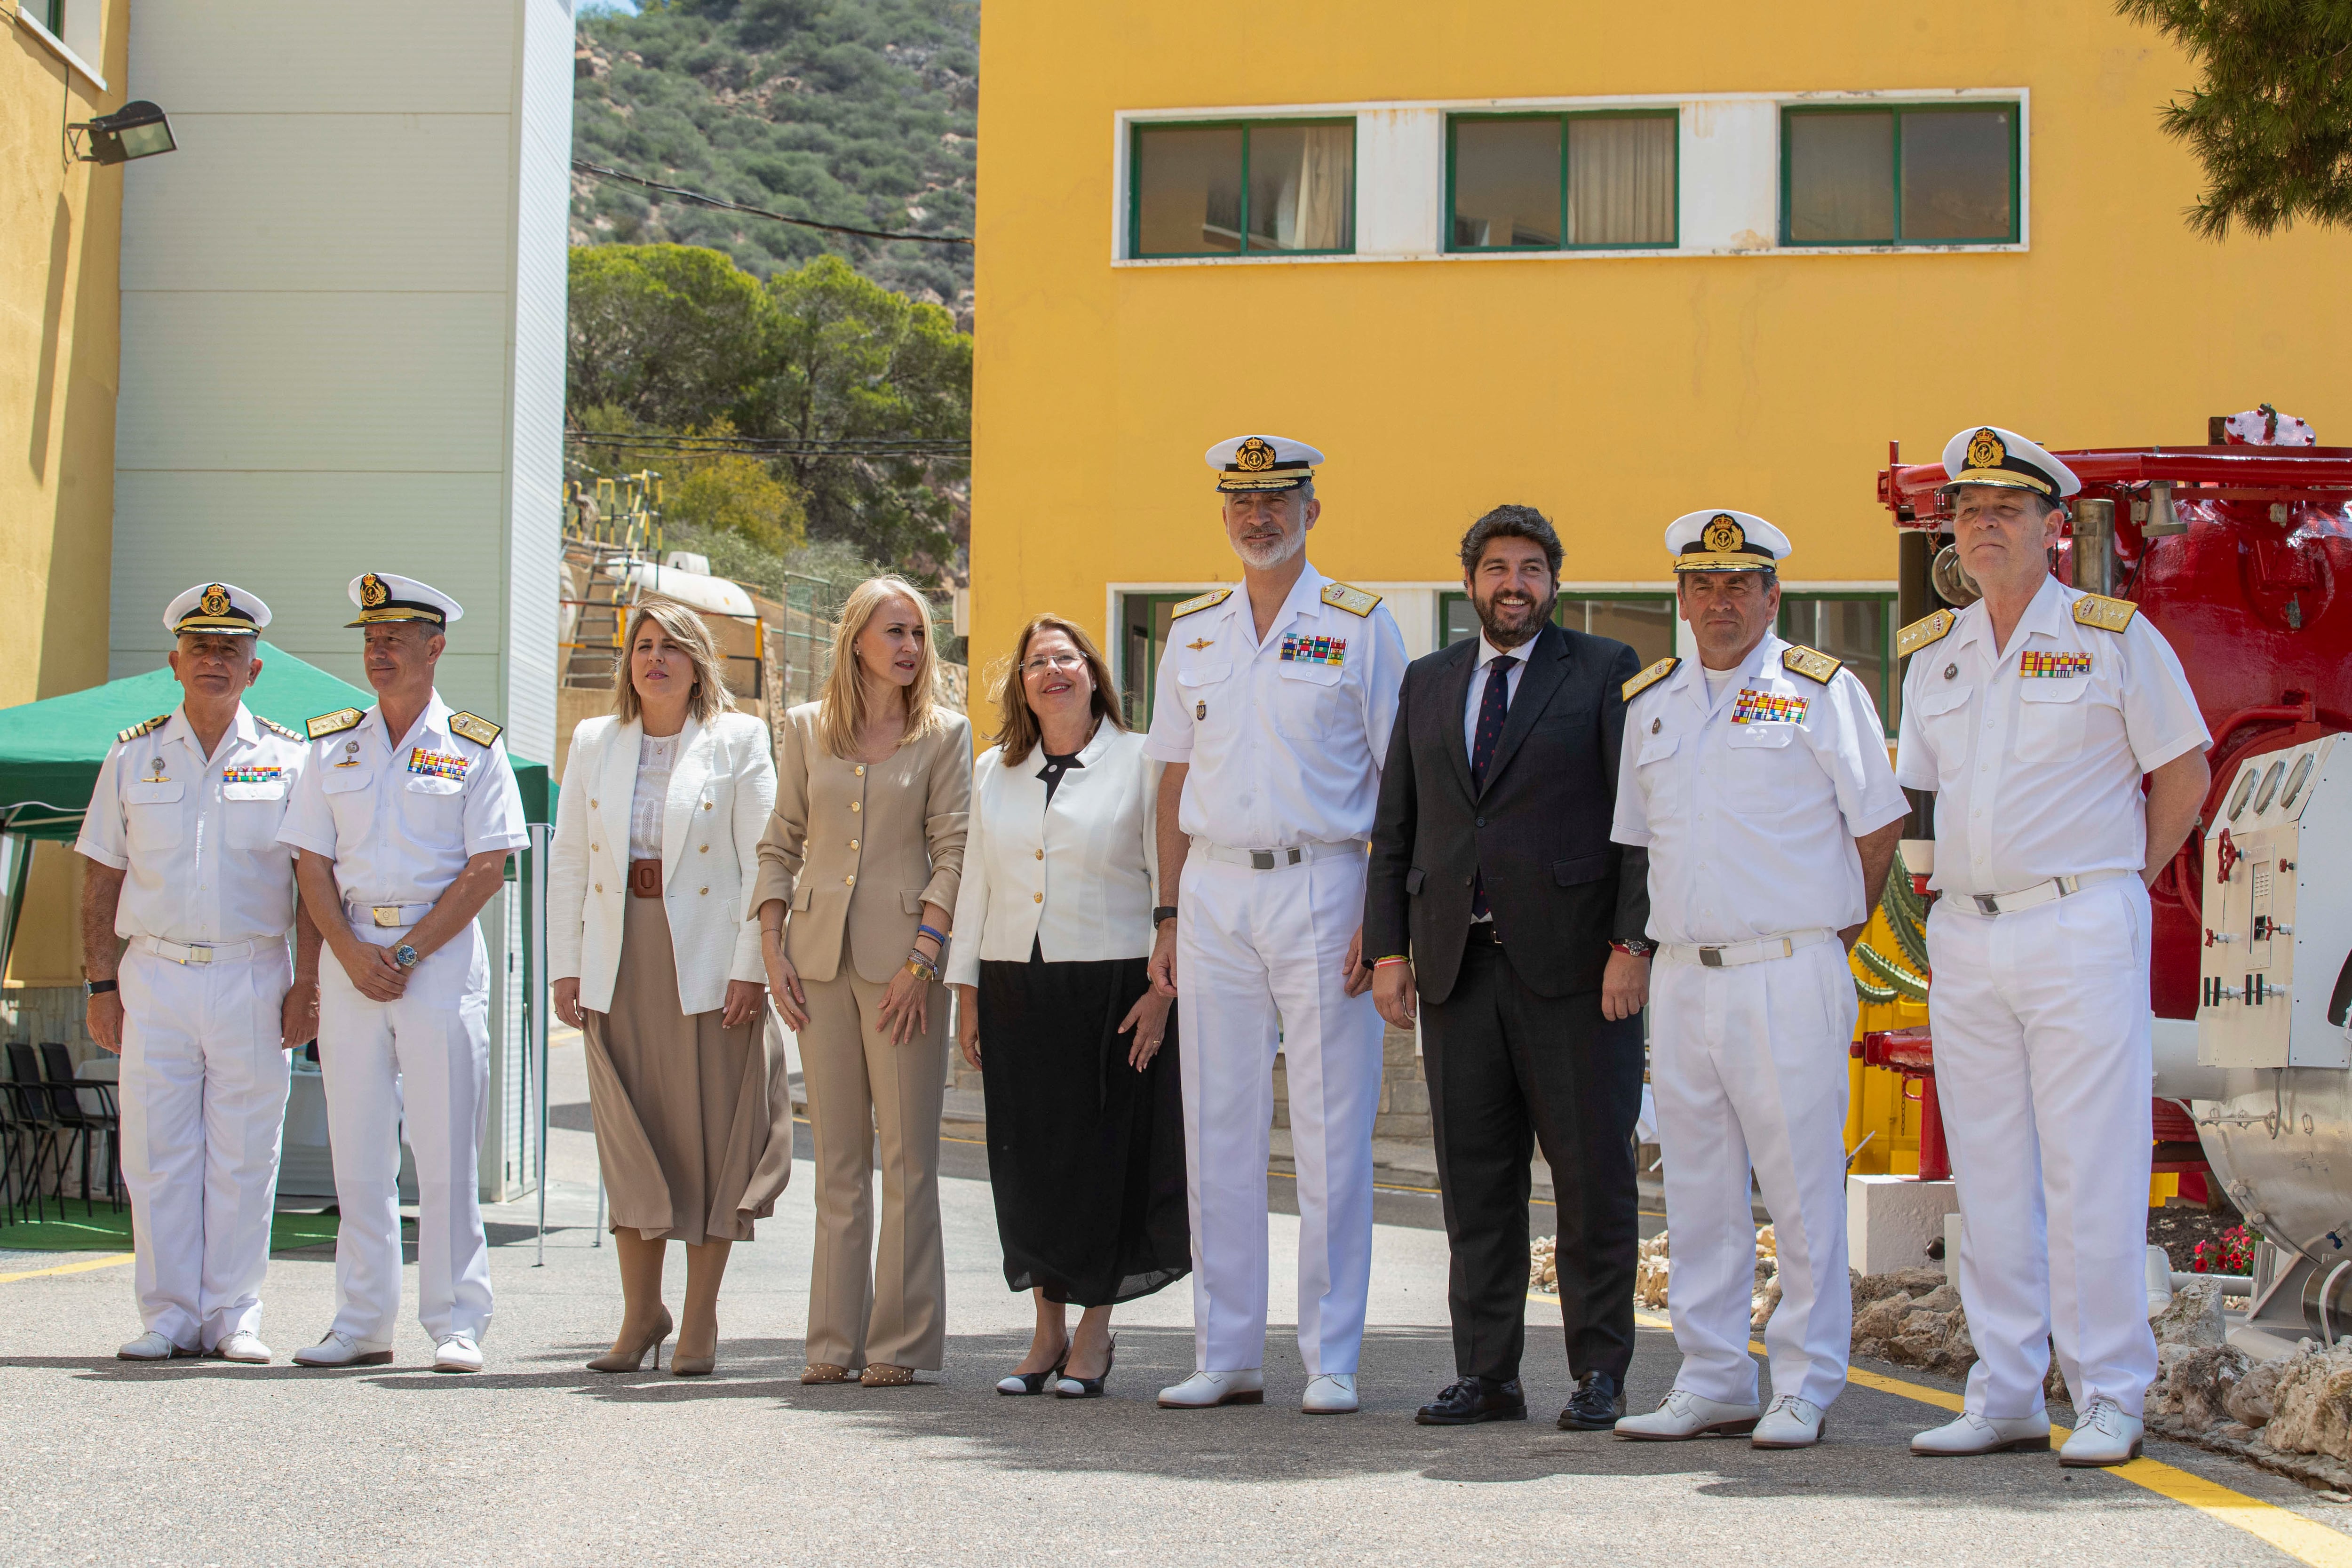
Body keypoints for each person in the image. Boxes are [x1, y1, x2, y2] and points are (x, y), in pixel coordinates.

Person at [1896, 427, 2209, 1467]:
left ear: (2051, 527)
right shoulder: (1935, 652)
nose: (1982, 525)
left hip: (2078, 923)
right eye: (1967, 510)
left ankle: (2110, 1391)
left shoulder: (2112, 635)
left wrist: (2119, 876)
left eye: (2006, 509)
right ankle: (2005, 1391)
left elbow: (2184, 771)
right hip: (1969, 931)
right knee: (1989, 1172)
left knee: (2091, 1166)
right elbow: (1921, 796)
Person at [1607, 510, 1909, 1449]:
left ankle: (1805, 1381)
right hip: (1684, 975)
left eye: (1740, 584)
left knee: (1800, 1186)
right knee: (1697, 1189)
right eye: (1703, 585)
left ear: (1773, 596)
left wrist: (1832, 932)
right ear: (1682, 598)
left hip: (1787, 967)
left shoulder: (1820, 691)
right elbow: (1640, 844)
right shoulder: (1651, 703)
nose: (1721, 601)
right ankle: (1711, 1376)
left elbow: (1878, 825)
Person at [1365, 507, 1651, 1433]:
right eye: (1497, 568)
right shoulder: (1428, 680)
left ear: (1554, 583)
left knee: (1592, 1182)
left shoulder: (1603, 669)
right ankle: (1487, 1374)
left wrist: (1631, 944)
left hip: (1577, 974)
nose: (1514, 584)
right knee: (1476, 1185)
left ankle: (1599, 1370)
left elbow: (1639, 821)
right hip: (1457, 970)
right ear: (1470, 584)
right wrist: (1388, 950)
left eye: (1531, 568)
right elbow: (1397, 827)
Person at [1145, 434, 1407, 1416]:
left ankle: (1331, 1356)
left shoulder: (1360, 625)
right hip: (1213, 890)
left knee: (1334, 1127)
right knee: (1216, 1125)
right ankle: (1226, 1351)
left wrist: (1385, 917)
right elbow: (1172, 777)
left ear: (1311, 511)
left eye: (1279, 500)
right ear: (1224, 513)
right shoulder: (1193, 631)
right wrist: (1167, 912)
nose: (1260, 518)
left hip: (1325, 883)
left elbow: (1400, 782)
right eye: (1243, 502)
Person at [277, 573, 529, 1373]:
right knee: (357, 1151)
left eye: (394, 639)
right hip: (353, 954)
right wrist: (349, 955)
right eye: (370, 638)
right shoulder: (332, 744)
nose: (378, 651)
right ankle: (361, 1321)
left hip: (439, 961)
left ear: (436, 647)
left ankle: (456, 1321)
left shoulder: (474, 746)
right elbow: (310, 864)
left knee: (445, 1149)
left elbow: (487, 868)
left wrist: (409, 952)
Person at [75, 583, 320, 1364]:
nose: (214, 660)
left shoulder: (291, 757)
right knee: (156, 1153)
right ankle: (169, 1314)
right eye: (201, 648)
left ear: (255, 669)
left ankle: (233, 1314)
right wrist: (101, 985)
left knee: (246, 1151)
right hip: (155, 973)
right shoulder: (132, 754)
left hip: (253, 972)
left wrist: (308, 983)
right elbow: (100, 877)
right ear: (175, 663)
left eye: (230, 650)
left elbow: (313, 884)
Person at [947, 615, 1188, 1400]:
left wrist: (1161, 994)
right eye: (1036, 662)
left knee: (1102, 1163)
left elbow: (1166, 881)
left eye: (1065, 657)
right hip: (1015, 982)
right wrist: (966, 994)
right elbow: (975, 882)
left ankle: (1093, 1332)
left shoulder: (1142, 758)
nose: (1051, 671)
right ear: (1021, 684)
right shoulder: (993, 769)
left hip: (1113, 986)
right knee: (1031, 1164)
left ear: (1092, 671)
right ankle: (1045, 1330)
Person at [549, 599, 788, 1378]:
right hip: (618, 954)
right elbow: (570, 858)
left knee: (708, 1139)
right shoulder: (595, 740)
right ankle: (640, 1313)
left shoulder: (739, 738)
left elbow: (764, 861)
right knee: (632, 1134)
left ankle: (699, 1317)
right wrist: (566, 963)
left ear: (698, 663)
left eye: (671, 647)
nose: (654, 658)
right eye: (642, 646)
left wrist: (752, 965)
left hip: (709, 959)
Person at [754, 576, 969, 1389]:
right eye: (895, 631)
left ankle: (900, 1343)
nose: (911, 647)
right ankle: (832, 1338)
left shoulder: (945, 734)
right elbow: (781, 840)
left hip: (906, 968)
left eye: (918, 633)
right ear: (856, 640)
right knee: (838, 1158)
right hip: (816, 960)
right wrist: (772, 945)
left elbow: (955, 850)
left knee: (908, 1159)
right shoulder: (808, 728)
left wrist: (923, 960)